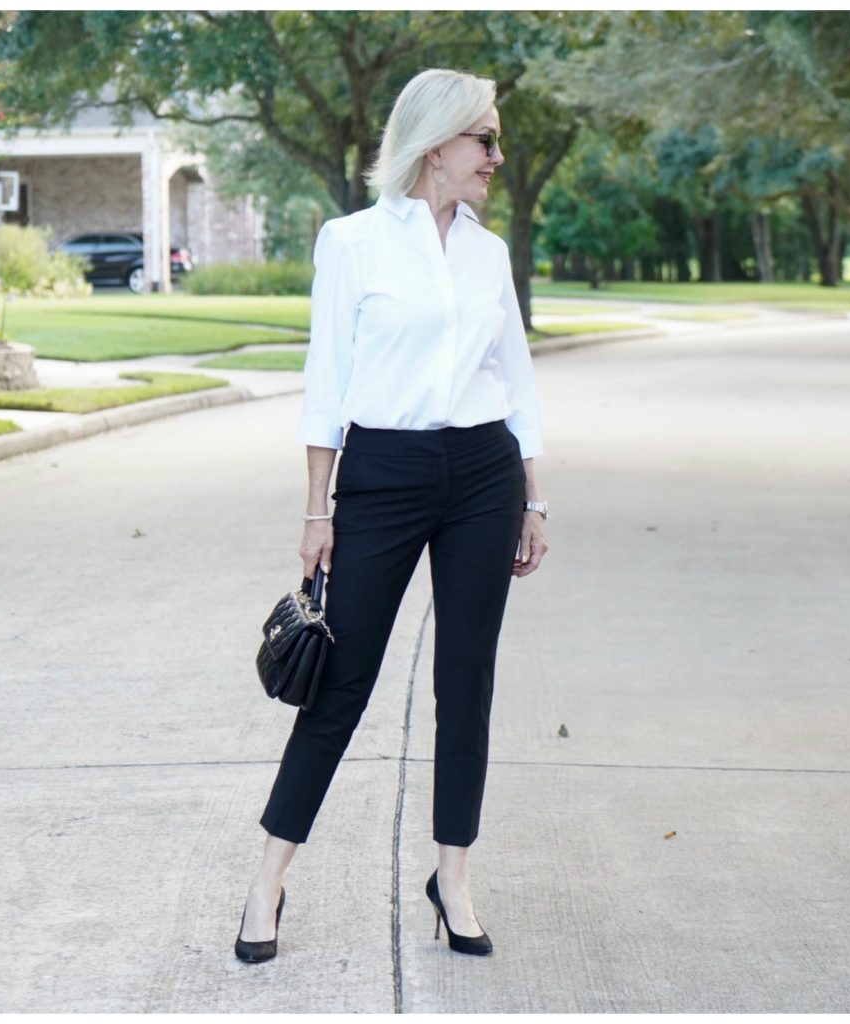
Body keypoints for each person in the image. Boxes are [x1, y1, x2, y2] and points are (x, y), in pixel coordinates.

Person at [235, 67, 549, 963]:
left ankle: (453, 876)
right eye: (483, 140)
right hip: (386, 471)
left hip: (484, 473)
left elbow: (517, 381)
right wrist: (315, 509)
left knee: (467, 683)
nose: (496, 155)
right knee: (340, 681)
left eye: (494, 140)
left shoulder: (488, 253)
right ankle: (269, 876)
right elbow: (326, 384)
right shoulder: (354, 242)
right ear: (434, 146)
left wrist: (532, 496)